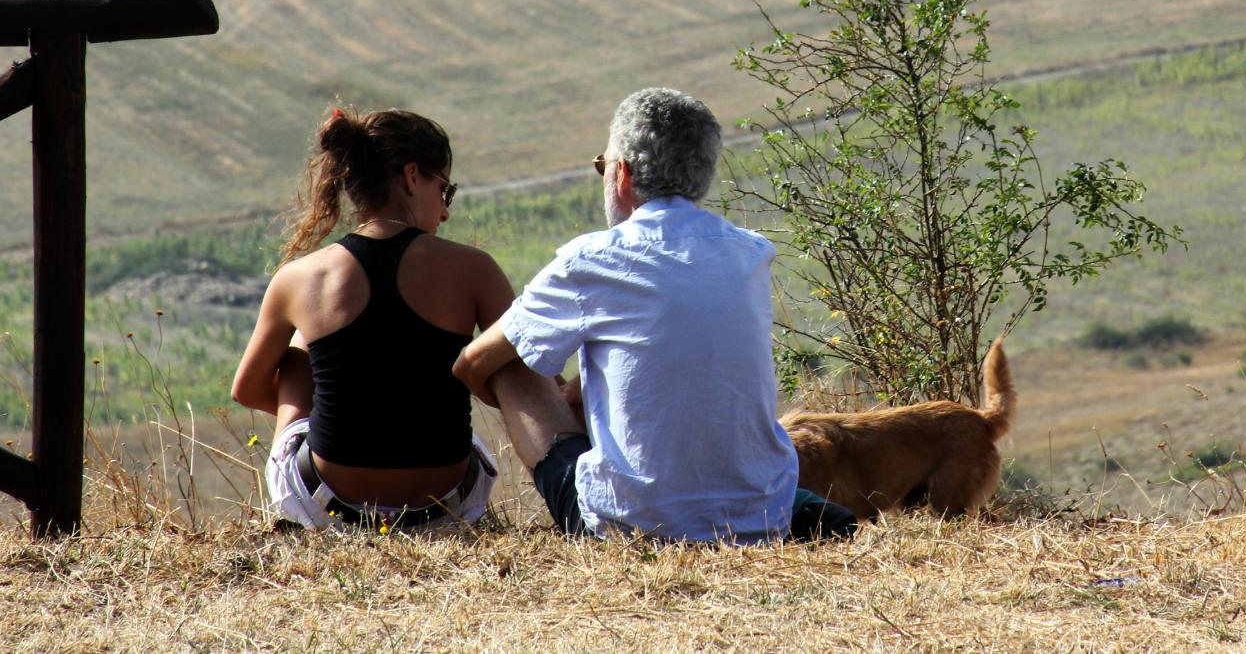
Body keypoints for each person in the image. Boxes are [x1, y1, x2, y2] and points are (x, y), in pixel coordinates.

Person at [455, 87, 856, 543]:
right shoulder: (751, 253)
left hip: (631, 524)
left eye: (601, 166)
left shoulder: (590, 259)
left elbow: (472, 364)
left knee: (511, 360)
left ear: (621, 174)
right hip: (761, 515)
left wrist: (549, 405)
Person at [232, 107, 541, 532]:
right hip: (449, 506)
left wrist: (334, 412)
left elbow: (247, 388)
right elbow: (527, 374)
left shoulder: (300, 277)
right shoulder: (473, 269)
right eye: (445, 191)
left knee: (300, 351)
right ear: (412, 176)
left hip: (328, 506)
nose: (446, 211)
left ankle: (293, 521)